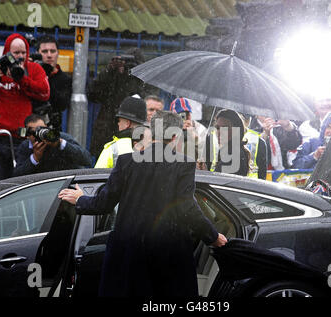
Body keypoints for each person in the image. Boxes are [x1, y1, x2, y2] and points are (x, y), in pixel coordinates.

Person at [58, 110, 227, 297]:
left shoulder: (126, 161)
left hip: (129, 258)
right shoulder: (183, 164)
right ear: (174, 135)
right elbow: (186, 207)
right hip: (167, 258)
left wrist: (81, 199)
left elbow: (103, 204)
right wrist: (213, 236)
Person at [0, 33, 50, 180]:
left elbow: (45, 93)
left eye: (23, 53)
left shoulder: (33, 69)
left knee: (20, 181)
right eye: (16, 53)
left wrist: (22, 80)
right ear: (8, 53)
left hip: (23, 137)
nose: (20, 57)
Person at [88, 48, 155, 158]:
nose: (130, 67)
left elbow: (147, 97)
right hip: (107, 132)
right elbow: (93, 94)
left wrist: (136, 77)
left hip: (134, 135)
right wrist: (110, 71)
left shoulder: (143, 81)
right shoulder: (114, 76)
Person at [13, 114, 92, 177]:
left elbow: (87, 160)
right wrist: (35, 158)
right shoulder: (25, 146)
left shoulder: (61, 137)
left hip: (66, 184)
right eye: (34, 132)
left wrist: (60, 144)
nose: (40, 135)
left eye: (42, 129)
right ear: (28, 135)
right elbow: (17, 176)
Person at [94, 96, 149, 168]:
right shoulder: (153, 146)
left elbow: (97, 177)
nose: (118, 124)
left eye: (119, 121)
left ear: (127, 123)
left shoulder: (113, 148)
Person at [32, 35, 72, 130]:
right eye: (44, 51)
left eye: (53, 51)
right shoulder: (30, 74)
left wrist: (47, 76)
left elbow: (61, 104)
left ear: (58, 53)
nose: (49, 55)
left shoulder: (64, 79)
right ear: (37, 53)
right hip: (31, 125)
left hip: (53, 128)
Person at [199, 109, 250, 176]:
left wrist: (204, 175)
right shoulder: (229, 151)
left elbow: (217, 183)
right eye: (217, 128)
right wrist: (205, 171)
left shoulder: (233, 155)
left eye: (224, 128)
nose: (219, 132)